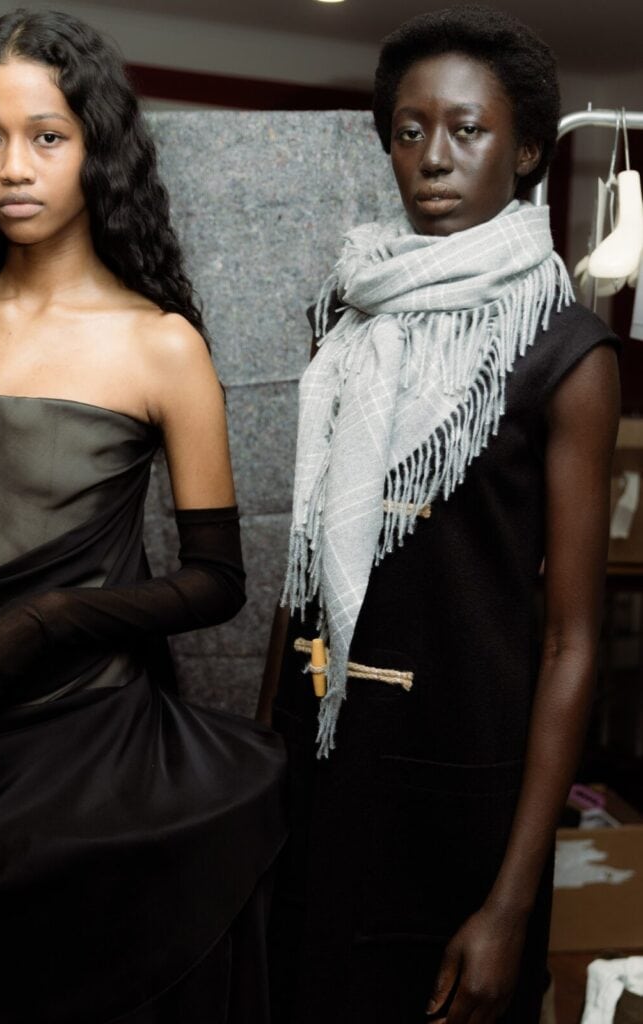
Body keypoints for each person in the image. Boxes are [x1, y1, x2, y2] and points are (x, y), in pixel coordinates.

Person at [0, 10, 285, 1023]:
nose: (12, 168)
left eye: (46, 136)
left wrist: (45, 620)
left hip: (92, 745)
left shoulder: (161, 345)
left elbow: (219, 579)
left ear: (98, 149)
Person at [261, 7, 620, 1024]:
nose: (432, 156)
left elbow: (573, 641)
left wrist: (510, 902)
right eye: (409, 130)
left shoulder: (566, 350)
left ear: (528, 149)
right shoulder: (345, 316)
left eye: (467, 129)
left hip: (466, 799)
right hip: (322, 774)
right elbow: (305, 569)